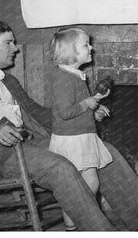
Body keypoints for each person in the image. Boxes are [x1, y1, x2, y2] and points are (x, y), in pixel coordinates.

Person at [0, 20, 138, 231]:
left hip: (27, 144)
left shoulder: (8, 80)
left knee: (104, 151)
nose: (15, 48)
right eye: (8, 43)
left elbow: (40, 114)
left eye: (14, 43)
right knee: (60, 166)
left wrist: (85, 111)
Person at [48, 27, 113, 230]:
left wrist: (94, 109)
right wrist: (88, 103)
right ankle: (73, 224)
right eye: (86, 44)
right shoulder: (63, 78)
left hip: (82, 136)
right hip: (71, 139)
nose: (91, 47)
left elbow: (77, 107)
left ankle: (82, 222)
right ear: (71, 51)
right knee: (79, 187)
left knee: (91, 183)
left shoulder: (76, 75)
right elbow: (65, 112)